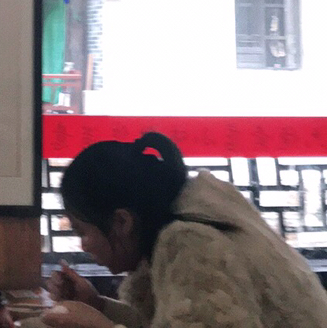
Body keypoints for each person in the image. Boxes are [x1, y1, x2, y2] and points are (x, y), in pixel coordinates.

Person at [43, 131, 327, 328]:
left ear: (122, 222)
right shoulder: (187, 219)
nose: (83, 246)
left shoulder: (193, 243)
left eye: (82, 232)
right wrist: (97, 305)